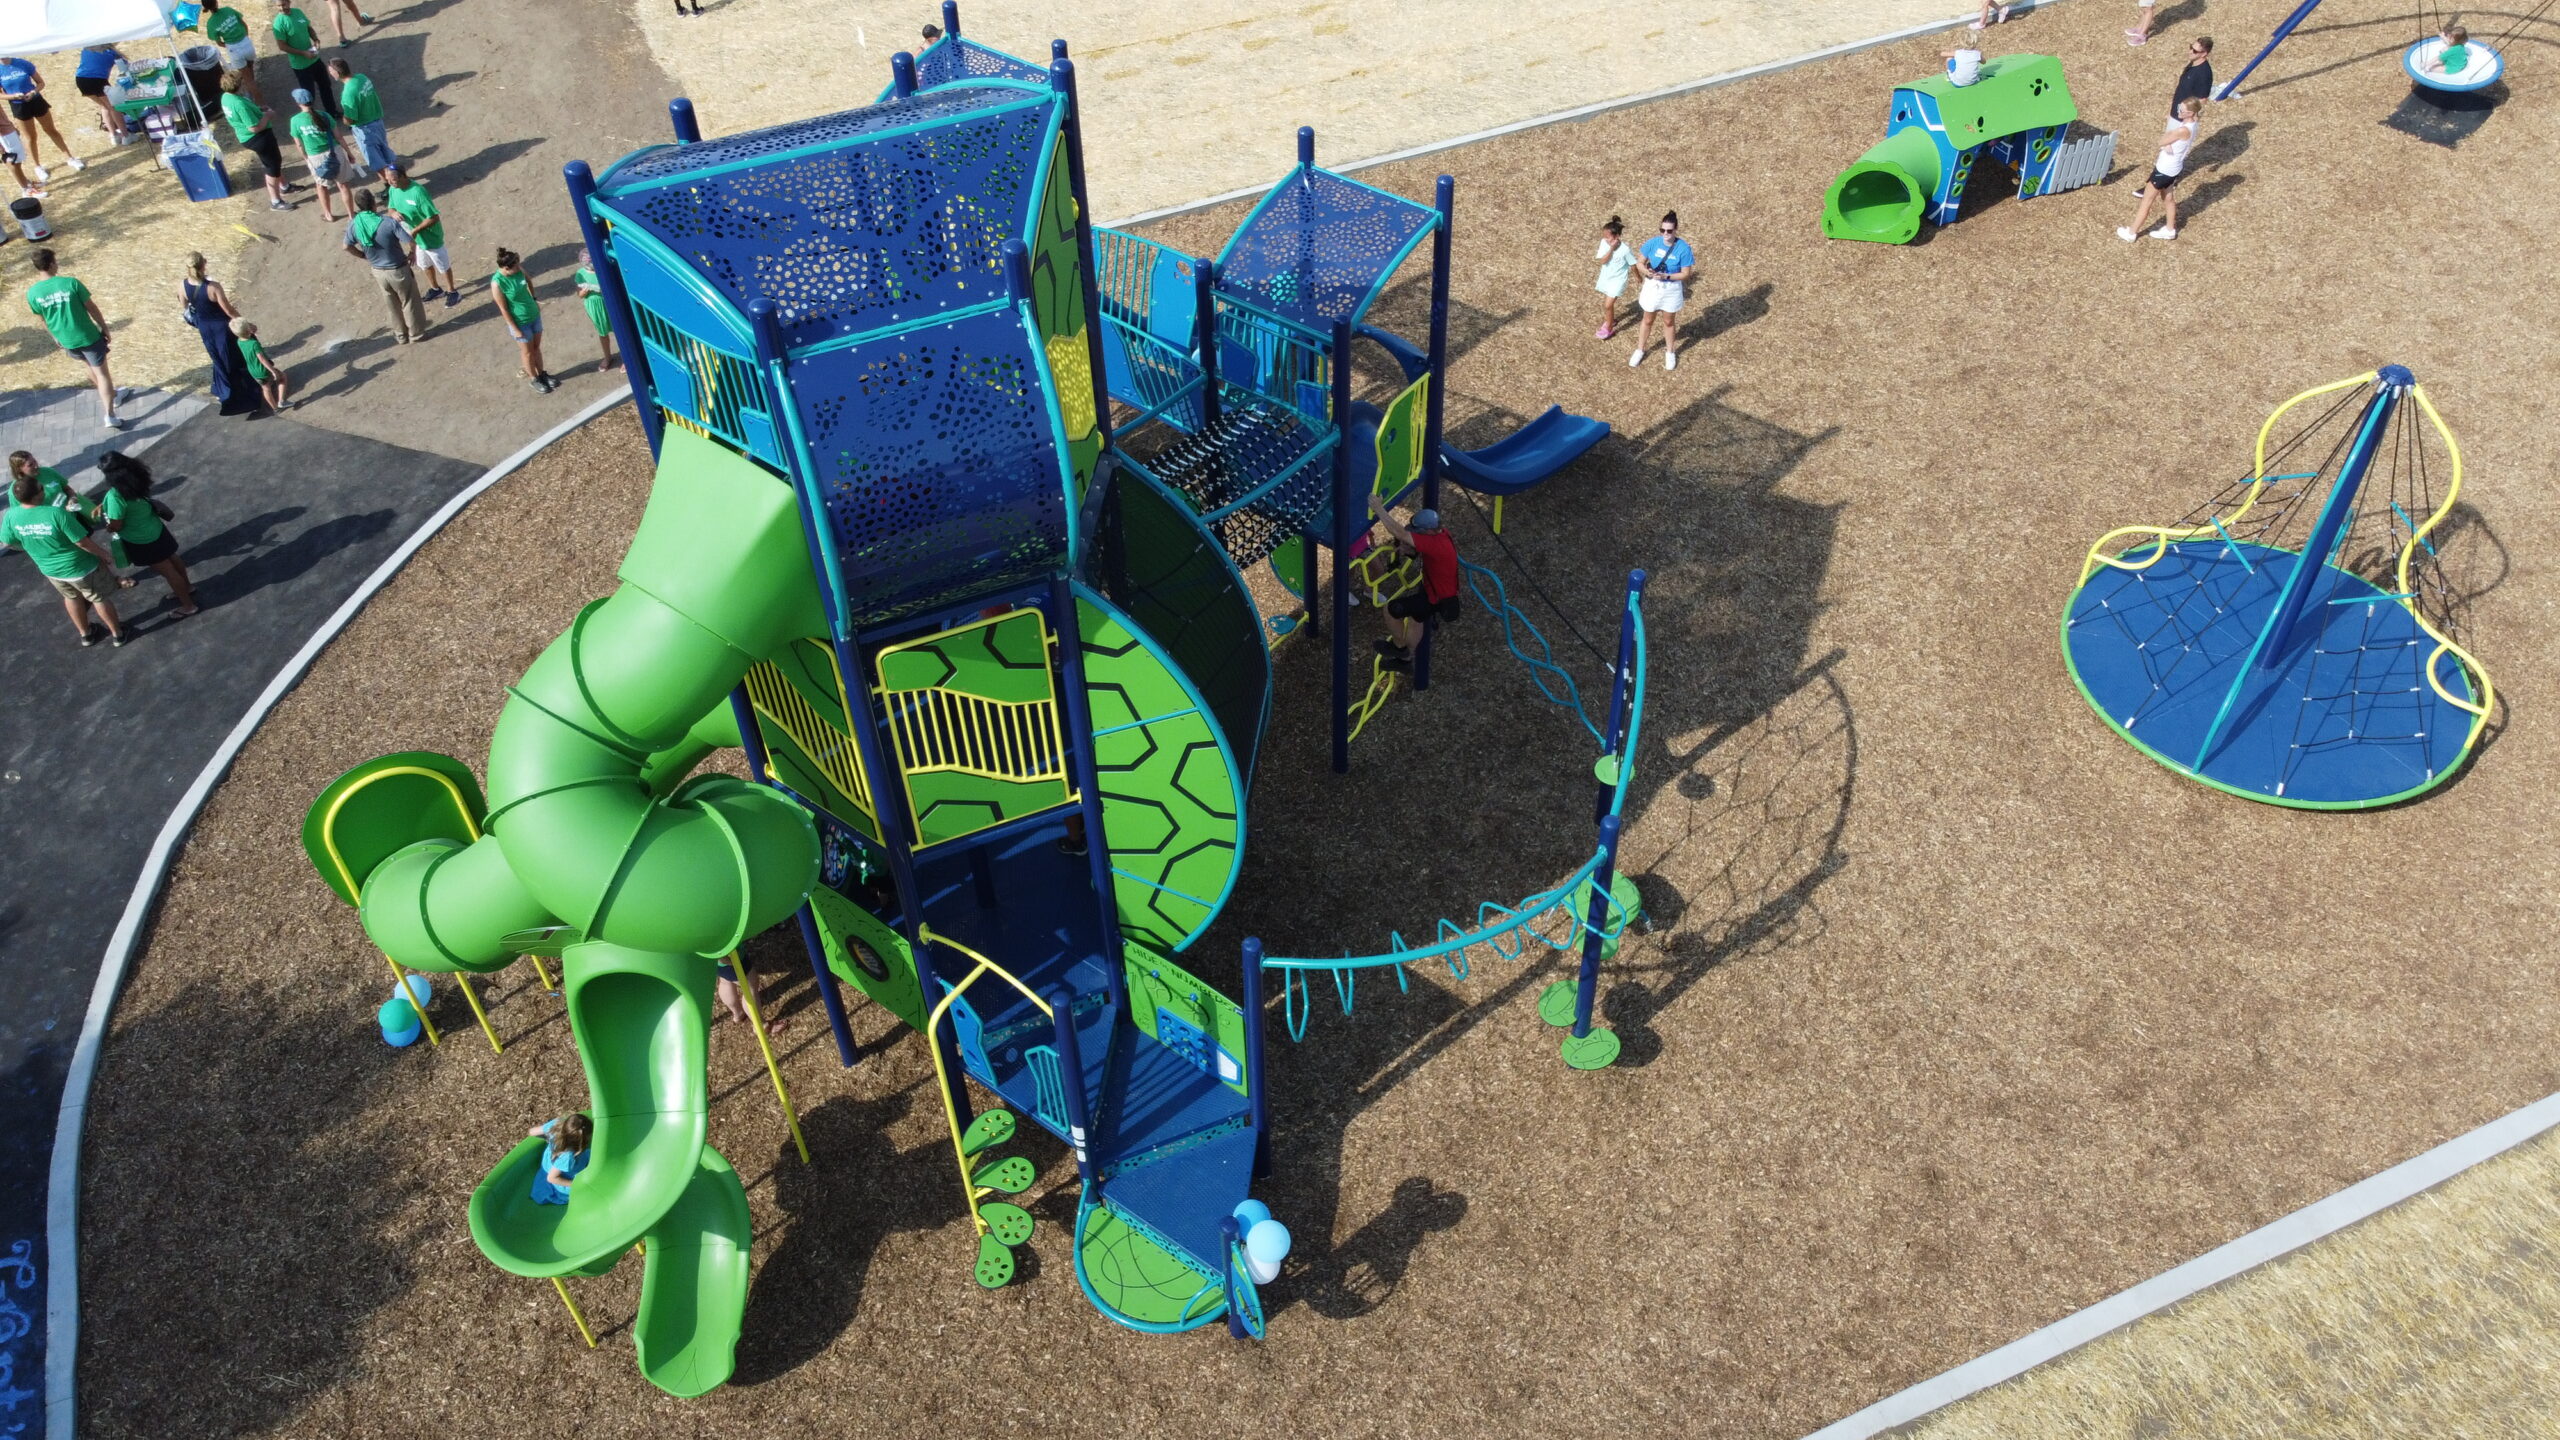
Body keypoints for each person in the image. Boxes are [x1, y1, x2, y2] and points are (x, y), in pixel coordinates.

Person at [6, 464, 127, 647]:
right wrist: (104, 554)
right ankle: (118, 634)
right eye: (41, 488)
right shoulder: (56, 514)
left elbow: (8, 542)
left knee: (71, 597)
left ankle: (86, 635)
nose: (43, 490)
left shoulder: (11, 516)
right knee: (98, 598)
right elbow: (82, 542)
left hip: (51, 570)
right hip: (81, 566)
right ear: (36, 495)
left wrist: (31, 546)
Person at [26, 249, 133, 431]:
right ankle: (110, 414)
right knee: (102, 373)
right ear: (51, 264)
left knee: (89, 366)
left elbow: (42, 318)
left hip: (66, 340)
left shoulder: (32, 293)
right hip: (87, 336)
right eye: (55, 261)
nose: (57, 264)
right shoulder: (70, 283)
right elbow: (92, 308)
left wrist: (55, 336)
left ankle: (113, 394)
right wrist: (104, 327)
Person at [97, 452, 196, 617]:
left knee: (169, 572)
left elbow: (117, 524)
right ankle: (187, 587)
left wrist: (110, 527)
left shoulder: (115, 496)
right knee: (173, 558)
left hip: (141, 540)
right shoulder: (137, 476)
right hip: (156, 528)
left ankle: (188, 606)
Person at [1367, 496, 1459, 671]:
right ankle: (1406, 661)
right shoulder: (1442, 533)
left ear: (1429, 531)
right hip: (1439, 591)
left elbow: (1399, 532)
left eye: (1418, 532)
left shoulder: (1434, 544)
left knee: (1390, 609)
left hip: (1434, 598)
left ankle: (1400, 648)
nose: (1415, 534)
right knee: (1416, 619)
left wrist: (1378, 508)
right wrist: (1409, 549)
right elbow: (1422, 548)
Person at [180, 251, 262, 417]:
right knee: (233, 359)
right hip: (222, 328)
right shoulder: (213, 287)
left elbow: (184, 306)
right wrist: (246, 324)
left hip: (205, 328)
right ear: (204, 264)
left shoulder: (182, 285)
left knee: (218, 359)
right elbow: (228, 310)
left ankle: (222, 390)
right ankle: (244, 395)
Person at [343, 187, 428, 342]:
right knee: (409, 301)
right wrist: (412, 253)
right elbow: (410, 240)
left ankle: (401, 335)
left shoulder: (355, 224)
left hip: (378, 271)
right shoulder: (388, 222)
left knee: (392, 305)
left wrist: (363, 255)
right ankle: (416, 334)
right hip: (397, 269)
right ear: (374, 204)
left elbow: (346, 246)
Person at [2119, 98, 2202, 242]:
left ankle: (2132, 232)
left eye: (2181, 110)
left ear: (2190, 113)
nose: (2178, 111)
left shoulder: (2181, 130)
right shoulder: (2193, 124)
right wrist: (2168, 142)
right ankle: (2170, 229)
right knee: (2168, 198)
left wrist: (2167, 141)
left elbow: (2161, 141)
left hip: (2164, 169)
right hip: (2174, 168)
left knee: (2146, 201)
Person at [1628, 210, 1694, 372]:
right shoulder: (1652, 243)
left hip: (1670, 288)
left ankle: (1670, 352)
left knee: (1668, 321)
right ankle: (1640, 349)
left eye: (1669, 231)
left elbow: (1685, 273)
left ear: (1675, 230)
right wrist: (1647, 272)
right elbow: (1640, 263)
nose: (1665, 234)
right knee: (1647, 319)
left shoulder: (1683, 248)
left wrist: (1667, 276)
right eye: (1662, 230)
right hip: (1652, 286)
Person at [217, 72, 293, 212]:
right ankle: (275, 201)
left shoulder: (226, 97)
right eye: (242, 82)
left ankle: (284, 186)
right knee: (272, 167)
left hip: (246, 137)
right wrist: (267, 115)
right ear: (238, 85)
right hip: (259, 138)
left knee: (274, 162)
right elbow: (254, 127)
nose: (245, 84)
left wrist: (258, 110)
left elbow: (243, 115)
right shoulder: (239, 104)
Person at [383, 168, 457, 305]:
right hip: (416, 238)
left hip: (430, 236)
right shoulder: (393, 189)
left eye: (393, 180)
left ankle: (452, 291)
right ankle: (435, 289)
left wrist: (416, 230)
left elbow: (433, 217)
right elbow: (391, 208)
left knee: (442, 265)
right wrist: (393, 213)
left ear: (403, 176)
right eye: (388, 180)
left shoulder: (418, 192)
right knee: (424, 264)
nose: (390, 183)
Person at [0, 56, 82, 175]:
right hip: (18, 106)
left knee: (51, 130)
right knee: (30, 137)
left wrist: (33, 92)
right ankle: (37, 166)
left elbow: (41, 83)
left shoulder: (22, 63)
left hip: (36, 101)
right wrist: (13, 96)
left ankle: (70, 158)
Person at [490, 247, 555, 393]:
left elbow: (529, 281)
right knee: (527, 352)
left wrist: (534, 299)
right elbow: (503, 309)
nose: (519, 268)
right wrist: (515, 329)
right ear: (506, 268)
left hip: (534, 316)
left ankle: (542, 374)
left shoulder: (518, 269)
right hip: (520, 322)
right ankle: (534, 379)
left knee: (536, 348)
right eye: (516, 266)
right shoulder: (497, 283)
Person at [287, 88, 353, 219]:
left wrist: (306, 159)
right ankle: (351, 215)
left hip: (315, 157)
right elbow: (339, 137)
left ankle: (328, 215)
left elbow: (299, 144)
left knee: (321, 186)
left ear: (298, 103)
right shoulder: (325, 116)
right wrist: (349, 153)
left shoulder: (295, 121)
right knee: (343, 185)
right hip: (335, 153)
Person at [270, 0, 339, 122]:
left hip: (314, 59)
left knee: (325, 85)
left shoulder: (298, 12)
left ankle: (332, 112)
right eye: (278, 6)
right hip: (301, 66)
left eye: (283, 4)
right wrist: (303, 53)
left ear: (289, 2)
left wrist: (316, 40)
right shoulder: (278, 23)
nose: (281, 8)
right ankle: (313, 121)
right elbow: (282, 46)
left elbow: (308, 28)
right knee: (308, 96)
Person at [329, 58, 395, 175]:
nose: (329, 73)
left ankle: (389, 182)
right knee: (385, 153)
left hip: (365, 130)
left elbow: (350, 119)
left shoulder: (348, 93)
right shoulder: (362, 77)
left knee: (376, 162)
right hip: (378, 122)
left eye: (330, 71)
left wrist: (344, 120)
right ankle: (395, 173)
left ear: (337, 73)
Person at [202, 2, 264, 104]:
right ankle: (251, 91)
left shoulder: (211, 23)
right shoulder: (228, 10)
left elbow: (219, 42)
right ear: (216, 2)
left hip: (233, 48)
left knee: (248, 79)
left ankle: (260, 103)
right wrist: (245, 38)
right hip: (246, 42)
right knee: (250, 69)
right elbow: (244, 25)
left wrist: (229, 45)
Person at [525, 1115, 593, 1205]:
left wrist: (548, 1138)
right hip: (559, 1176)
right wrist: (575, 1184)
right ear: (581, 1143)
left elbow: (532, 1132)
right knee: (587, 1189)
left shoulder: (556, 1125)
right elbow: (551, 1178)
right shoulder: (567, 1157)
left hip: (549, 1164)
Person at [73, 46, 131, 147]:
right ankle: (126, 136)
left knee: (104, 106)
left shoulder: (86, 48)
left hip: (80, 80)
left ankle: (113, 136)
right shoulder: (112, 53)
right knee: (113, 107)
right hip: (97, 80)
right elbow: (125, 67)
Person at [233, 318, 292, 410]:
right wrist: (273, 371)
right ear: (248, 329)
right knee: (282, 377)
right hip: (262, 370)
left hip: (253, 371)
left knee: (266, 388)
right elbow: (262, 359)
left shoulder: (239, 341)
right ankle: (281, 401)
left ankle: (275, 408)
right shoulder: (254, 343)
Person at [1590, 215, 1633, 341]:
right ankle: (1611, 320)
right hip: (1607, 278)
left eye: (1608, 237)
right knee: (1608, 305)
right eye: (1604, 236)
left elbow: (1633, 264)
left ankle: (1608, 328)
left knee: (1608, 305)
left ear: (1617, 236)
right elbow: (1603, 261)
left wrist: (1638, 278)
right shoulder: (1604, 243)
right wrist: (1611, 249)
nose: (1605, 239)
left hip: (1618, 280)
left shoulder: (1625, 250)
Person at [573, 249, 617, 368]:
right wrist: (584, 291)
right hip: (594, 307)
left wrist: (598, 288)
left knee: (618, 330)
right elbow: (580, 295)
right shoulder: (580, 274)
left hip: (608, 303)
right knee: (602, 332)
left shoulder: (602, 271)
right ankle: (607, 357)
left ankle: (626, 358)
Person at [0, 112, 43, 198]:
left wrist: (11, 126)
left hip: (7, 129)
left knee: (17, 159)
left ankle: (26, 183)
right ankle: (26, 189)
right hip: (3, 134)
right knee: (13, 161)